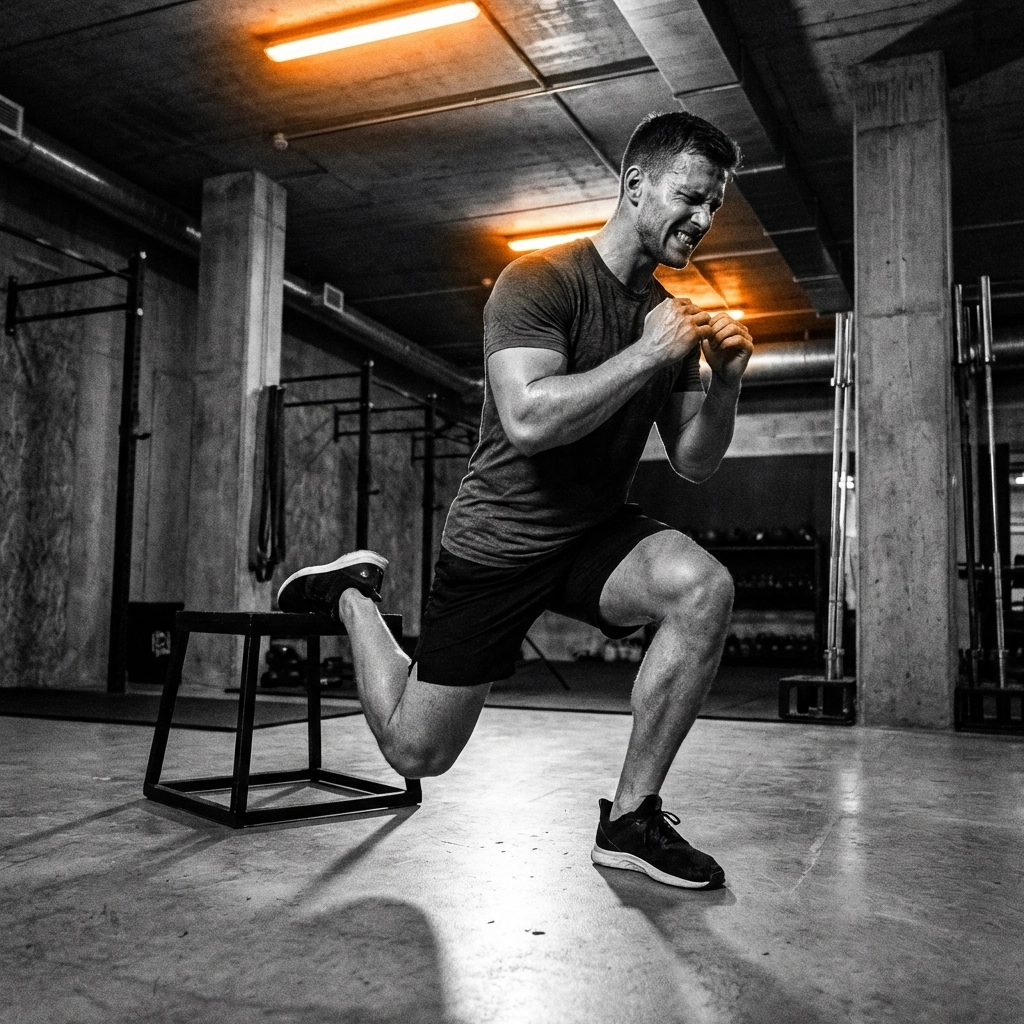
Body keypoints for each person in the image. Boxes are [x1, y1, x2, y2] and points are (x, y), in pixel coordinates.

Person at [279, 111, 754, 889]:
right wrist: (648, 352)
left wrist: (726, 384)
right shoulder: (539, 281)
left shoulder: (665, 320)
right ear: (635, 186)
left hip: (593, 534)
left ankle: (632, 819)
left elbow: (694, 462)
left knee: (703, 588)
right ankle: (351, 597)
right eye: (690, 197)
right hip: (497, 541)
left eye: (712, 208)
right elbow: (530, 418)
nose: (701, 220)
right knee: (416, 752)